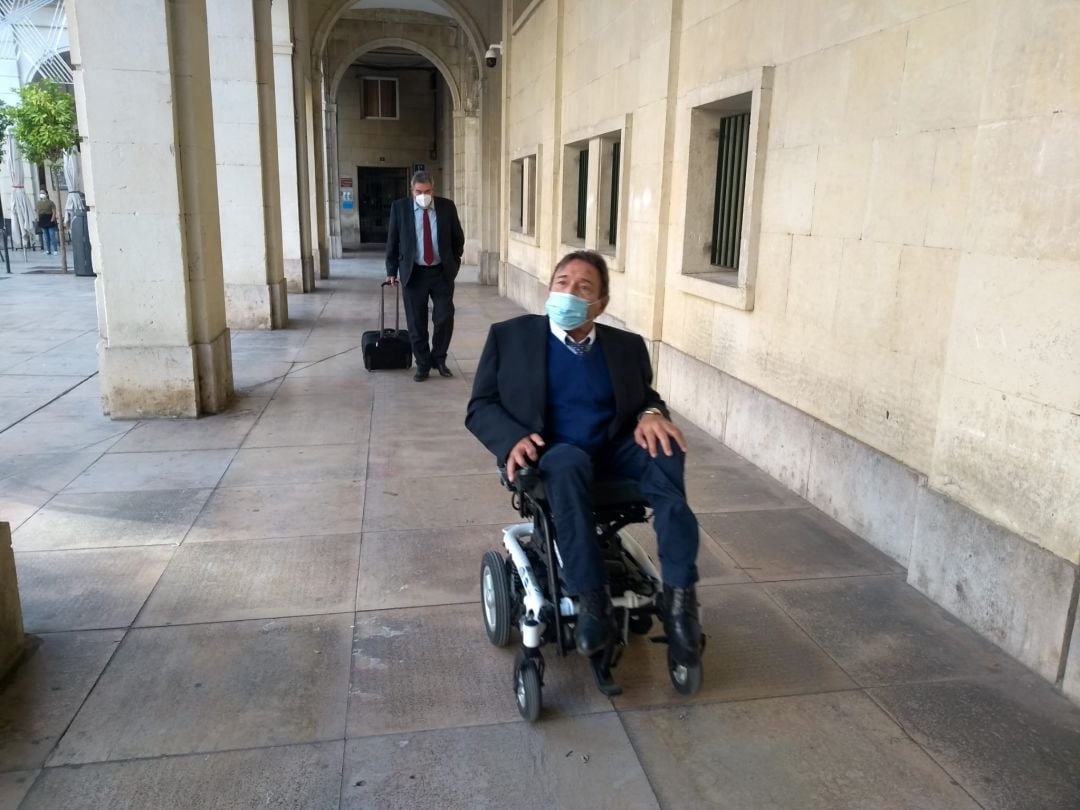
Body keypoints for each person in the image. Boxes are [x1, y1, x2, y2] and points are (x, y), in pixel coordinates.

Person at [465, 250, 702, 667]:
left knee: (668, 448)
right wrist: (512, 438)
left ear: (601, 304)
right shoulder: (510, 337)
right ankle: (592, 602)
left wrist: (651, 415)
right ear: (549, 290)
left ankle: (681, 603)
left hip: (612, 452)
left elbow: (645, 398)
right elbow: (481, 405)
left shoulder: (626, 347)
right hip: (553, 455)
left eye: (583, 287)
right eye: (562, 283)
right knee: (569, 463)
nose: (569, 292)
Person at [385, 171, 465, 382]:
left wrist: (453, 264)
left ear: (433, 189)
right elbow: (392, 242)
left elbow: (458, 238)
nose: (423, 195)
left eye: (427, 191)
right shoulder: (400, 208)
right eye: (419, 192)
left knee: (444, 317)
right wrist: (391, 271)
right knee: (416, 322)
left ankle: (439, 358)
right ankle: (422, 364)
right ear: (412, 191)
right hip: (414, 273)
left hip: (441, 272)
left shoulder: (447, 207)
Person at [36, 190, 58, 255]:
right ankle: (48, 250)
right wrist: (38, 219)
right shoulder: (38, 203)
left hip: (49, 218)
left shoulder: (51, 203)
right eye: (40, 193)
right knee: (45, 236)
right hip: (42, 219)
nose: (41, 194)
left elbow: (54, 211)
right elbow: (37, 211)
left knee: (52, 235)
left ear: (47, 194)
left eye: (43, 193)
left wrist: (52, 219)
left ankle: (55, 250)